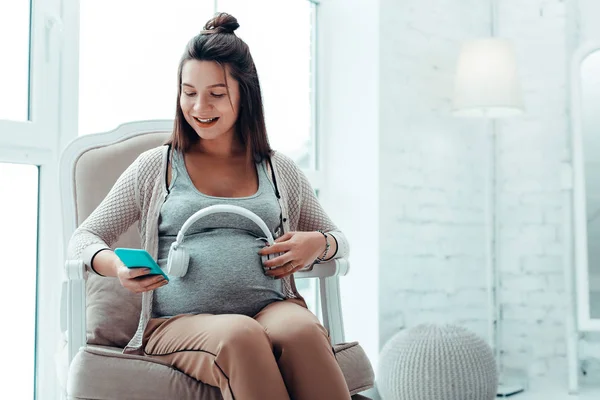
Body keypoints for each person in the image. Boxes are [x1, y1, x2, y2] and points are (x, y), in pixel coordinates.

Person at [67, 12, 351, 400]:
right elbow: (83, 238)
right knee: (241, 334)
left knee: (302, 330)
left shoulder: (277, 168)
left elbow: (337, 238)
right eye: (189, 92)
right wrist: (116, 265)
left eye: (216, 94)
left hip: (271, 307)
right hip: (177, 322)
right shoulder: (158, 166)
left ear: (244, 94)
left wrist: (318, 244)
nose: (199, 106)